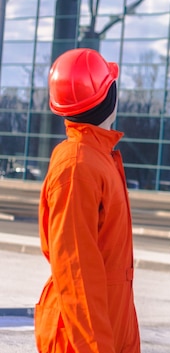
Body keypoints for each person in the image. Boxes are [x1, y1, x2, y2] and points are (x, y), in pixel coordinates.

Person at [35, 48, 141, 353]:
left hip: (108, 324)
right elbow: (76, 273)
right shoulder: (78, 166)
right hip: (82, 338)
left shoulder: (96, 158)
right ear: (110, 95)